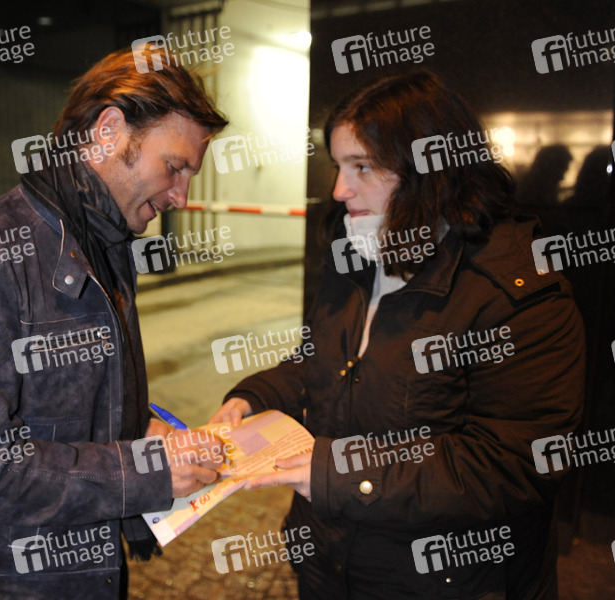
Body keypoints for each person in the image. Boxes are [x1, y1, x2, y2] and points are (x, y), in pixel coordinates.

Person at [211, 70, 585, 599]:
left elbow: (513, 463)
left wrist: (341, 476)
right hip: (329, 561)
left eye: (361, 166)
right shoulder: (358, 249)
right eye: (338, 166)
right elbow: (328, 360)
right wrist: (256, 396)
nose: (339, 190)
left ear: (430, 169)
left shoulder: (514, 290)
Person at [0, 48, 228, 600]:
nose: (180, 196)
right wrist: (144, 472)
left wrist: (139, 426)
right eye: (174, 167)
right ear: (108, 131)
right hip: (14, 581)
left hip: (87, 561)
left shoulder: (100, 238)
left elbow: (68, 397)